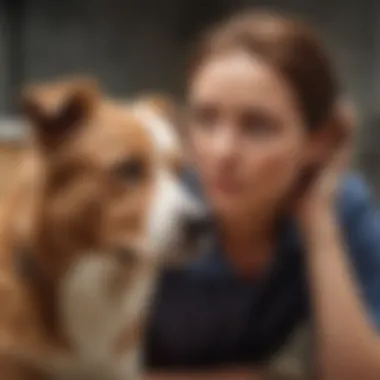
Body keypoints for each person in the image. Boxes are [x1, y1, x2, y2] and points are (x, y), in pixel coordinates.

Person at [144, 10, 380, 380]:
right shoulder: (151, 206)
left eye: (258, 126)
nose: (222, 152)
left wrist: (318, 224)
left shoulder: (340, 205)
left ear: (320, 140)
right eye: (205, 119)